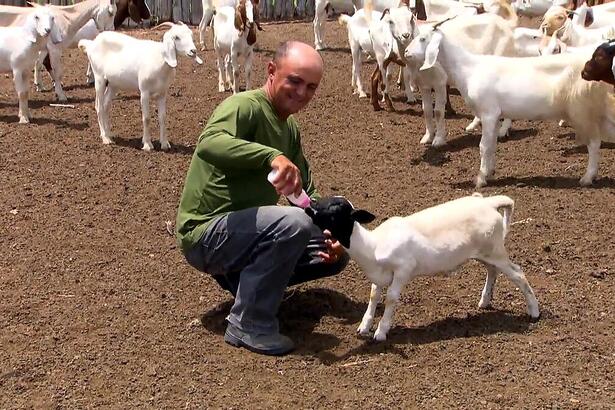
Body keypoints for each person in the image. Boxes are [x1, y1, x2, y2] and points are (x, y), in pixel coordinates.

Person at [176, 41, 349, 356]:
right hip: (205, 234)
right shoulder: (244, 105)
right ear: (271, 71)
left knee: (330, 247)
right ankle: (249, 323)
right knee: (292, 224)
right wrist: (271, 156)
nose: (301, 93)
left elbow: (305, 195)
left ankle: (246, 287)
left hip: (242, 235)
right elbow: (209, 144)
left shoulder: (289, 128)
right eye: (294, 81)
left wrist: (331, 235)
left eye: (311, 87)